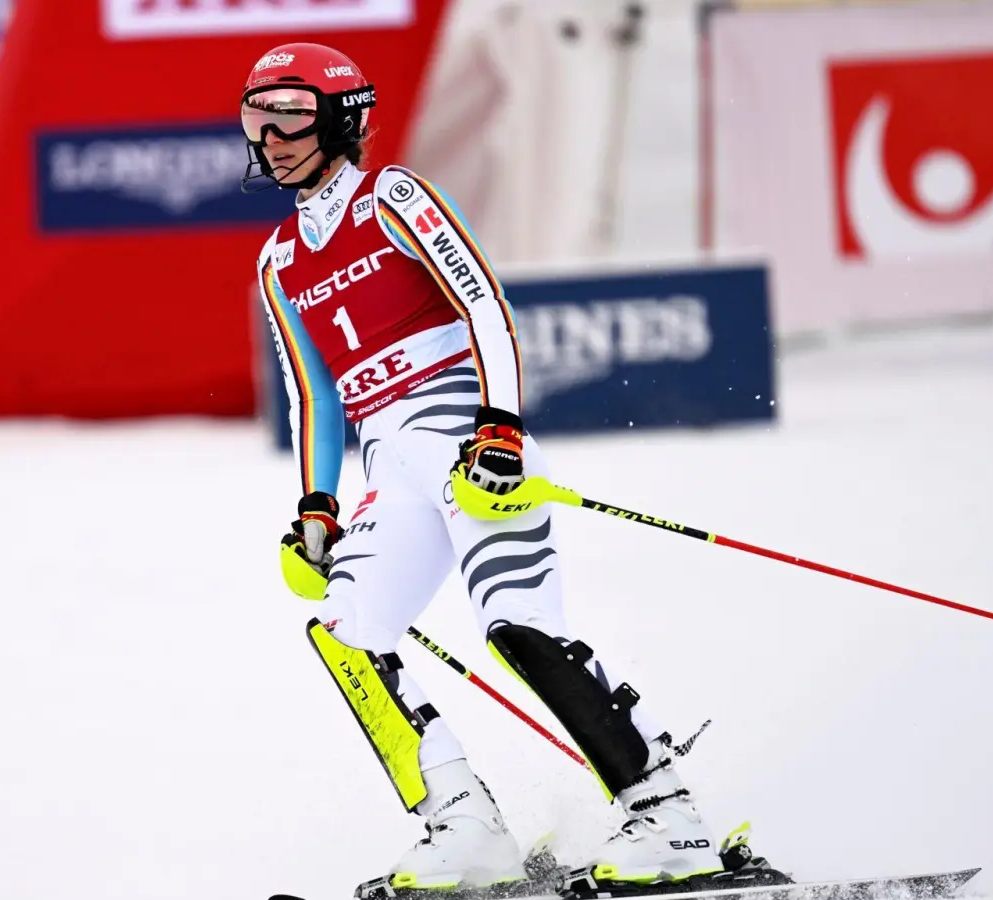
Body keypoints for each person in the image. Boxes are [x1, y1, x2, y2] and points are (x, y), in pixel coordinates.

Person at [244, 43, 729, 897]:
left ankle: (669, 816)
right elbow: (314, 396)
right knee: (347, 633)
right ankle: (463, 828)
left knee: (518, 628)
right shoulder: (279, 259)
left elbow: (484, 304)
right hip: (392, 471)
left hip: (469, 442)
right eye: (256, 115)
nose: (271, 135)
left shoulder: (394, 197)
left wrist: (500, 428)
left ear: (341, 117)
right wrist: (317, 505)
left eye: (290, 113)